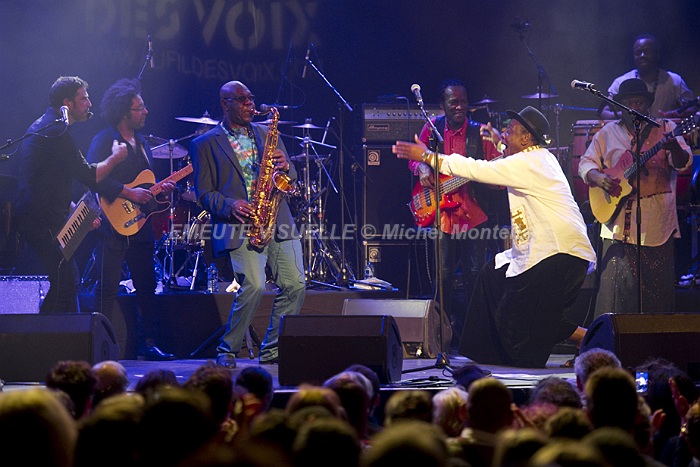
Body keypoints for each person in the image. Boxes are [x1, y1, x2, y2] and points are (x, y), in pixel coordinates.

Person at [394, 106, 596, 368]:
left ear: (526, 138)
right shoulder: (533, 158)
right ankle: (493, 352)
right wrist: (503, 143)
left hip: (559, 253)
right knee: (493, 278)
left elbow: (478, 170)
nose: (504, 133)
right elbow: (504, 162)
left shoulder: (530, 162)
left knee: (525, 316)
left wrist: (428, 156)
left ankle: (586, 338)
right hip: (547, 252)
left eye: (510, 130)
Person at [190, 80, 305, 368]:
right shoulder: (203, 143)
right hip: (239, 224)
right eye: (242, 100)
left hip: (278, 219)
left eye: (251, 98)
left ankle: (272, 351)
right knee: (253, 286)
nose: (250, 104)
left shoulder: (268, 133)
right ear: (225, 104)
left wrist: (286, 167)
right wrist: (230, 205)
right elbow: (203, 194)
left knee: (296, 286)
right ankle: (228, 350)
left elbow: (291, 176)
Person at [579, 78, 692, 316]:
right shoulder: (607, 133)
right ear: (620, 106)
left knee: (655, 294)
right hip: (617, 224)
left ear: (647, 104)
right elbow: (585, 163)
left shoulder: (666, 128)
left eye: (639, 102)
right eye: (629, 103)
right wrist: (599, 177)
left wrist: (674, 148)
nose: (634, 107)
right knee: (615, 297)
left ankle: (653, 338)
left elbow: (683, 163)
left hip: (656, 224)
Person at [15, 76, 127, 313]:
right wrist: (115, 158)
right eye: (83, 98)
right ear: (67, 103)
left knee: (68, 281)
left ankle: (59, 333)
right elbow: (89, 175)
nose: (89, 103)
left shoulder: (48, 126)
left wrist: (76, 211)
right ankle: (42, 334)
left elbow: (48, 179)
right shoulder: (57, 132)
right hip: (41, 222)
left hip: (38, 218)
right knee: (65, 284)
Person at [407, 79, 505, 346]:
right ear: (443, 105)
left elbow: (498, 168)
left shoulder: (479, 133)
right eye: (454, 102)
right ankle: (441, 337)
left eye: (463, 102)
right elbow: (415, 157)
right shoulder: (432, 128)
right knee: (443, 276)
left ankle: (474, 338)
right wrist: (422, 167)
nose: (460, 107)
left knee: (475, 274)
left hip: (474, 213)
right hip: (442, 215)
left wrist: (493, 175)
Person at [86, 78, 176, 361]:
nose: (146, 112)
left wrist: (159, 190)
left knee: (147, 285)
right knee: (107, 287)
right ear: (125, 113)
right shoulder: (105, 140)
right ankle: (99, 346)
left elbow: (145, 186)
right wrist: (129, 192)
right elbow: (93, 178)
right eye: (140, 108)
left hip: (140, 224)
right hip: (112, 225)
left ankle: (147, 343)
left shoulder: (144, 144)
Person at [599, 34, 695, 119]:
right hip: (630, 133)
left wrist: (676, 114)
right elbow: (603, 113)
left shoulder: (674, 81)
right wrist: (628, 114)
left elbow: (693, 108)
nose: (642, 55)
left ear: (657, 54)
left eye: (647, 51)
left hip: (666, 132)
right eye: (638, 52)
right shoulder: (621, 82)